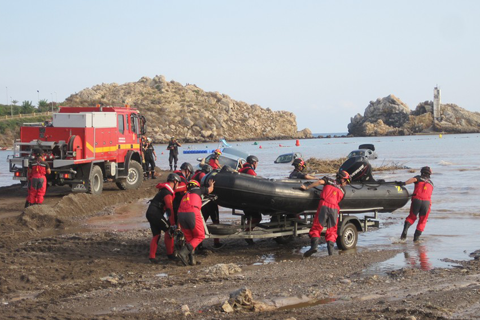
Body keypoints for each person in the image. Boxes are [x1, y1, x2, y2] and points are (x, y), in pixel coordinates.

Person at [300, 170, 351, 257]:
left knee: (317, 226)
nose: (346, 183)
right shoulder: (343, 191)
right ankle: (330, 253)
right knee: (332, 229)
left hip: (324, 205)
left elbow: (319, 182)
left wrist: (307, 187)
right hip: (335, 208)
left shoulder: (329, 180)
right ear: (342, 179)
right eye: (347, 181)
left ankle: (314, 247)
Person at [177, 179, 215, 266]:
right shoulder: (198, 190)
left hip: (181, 214)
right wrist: (211, 184)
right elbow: (210, 190)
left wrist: (178, 225)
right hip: (192, 212)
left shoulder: (185, 195)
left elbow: (179, 210)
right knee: (200, 235)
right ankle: (183, 252)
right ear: (196, 186)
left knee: (190, 238)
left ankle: (192, 261)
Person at [146, 173, 181, 263]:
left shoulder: (164, 190)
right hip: (155, 213)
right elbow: (170, 209)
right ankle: (170, 254)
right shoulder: (167, 192)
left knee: (156, 235)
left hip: (150, 212)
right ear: (175, 181)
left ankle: (152, 257)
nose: (178, 186)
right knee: (169, 230)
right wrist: (173, 224)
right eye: (178, 183)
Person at [398, 166, 434, 242]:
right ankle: (416, 238)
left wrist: (404, 183)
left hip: (416, 200)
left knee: (412, 217)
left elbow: (413, 179)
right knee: (423, 220)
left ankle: (405, 231)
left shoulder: (418, 178)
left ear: (422, 172)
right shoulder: (431, 183)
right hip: (427, 203)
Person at [192, 164, 223, 248]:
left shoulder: (196, 175)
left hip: (202, 202)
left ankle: (199, 243)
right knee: (215, 221)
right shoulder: (203, 176)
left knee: (202, 221)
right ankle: (216, 242)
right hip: (209, 202)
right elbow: (209, 189)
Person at [239, 155, 261, 244]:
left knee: (250, 216)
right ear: (254, 162)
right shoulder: (249, 171)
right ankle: (247, 233)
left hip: (243, 199)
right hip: (248, 199)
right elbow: (257, 182)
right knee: (257, 217)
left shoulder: (242, 169)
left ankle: (248, 234)